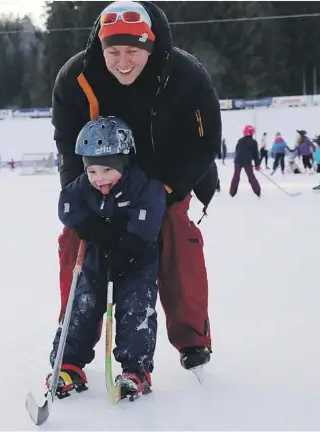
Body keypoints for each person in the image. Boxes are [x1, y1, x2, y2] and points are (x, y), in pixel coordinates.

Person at [51, 0, 221, 376]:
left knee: (176, 235)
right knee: (75, 242)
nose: (123, 62)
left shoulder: (186, 75)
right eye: (113, 51)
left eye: (133, 51)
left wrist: (168, 189)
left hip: (165, 175)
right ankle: (72, 340)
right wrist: (82, 201)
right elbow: (65, 142)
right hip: (102, 176)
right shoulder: (75, 78)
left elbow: (206, 143)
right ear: (101, 48)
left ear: (150, 45)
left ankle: (192, 338)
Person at [48, 116, 165, 400]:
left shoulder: (141, 185)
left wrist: (128, 246)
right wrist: (89, 226)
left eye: (106, 170)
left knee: (135, 308)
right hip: (98, 257)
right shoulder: (84, 186)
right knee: (82, 304)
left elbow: (150, 215)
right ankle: (68, 364)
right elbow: (66, 204)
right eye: (92, 172)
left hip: (136, 258)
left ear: (123, 165)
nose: (98, 179)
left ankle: (135, 370)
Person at [229, 125, 261, 197]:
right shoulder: (253, 142)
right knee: (251, 177)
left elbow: (237, 150)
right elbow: (256, 154)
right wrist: (257, 165)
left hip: (238, 161)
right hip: (247, 162)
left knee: (236, 176)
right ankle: (257, 191)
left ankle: (232, 192)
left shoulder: (240, 140)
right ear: (252, 133)